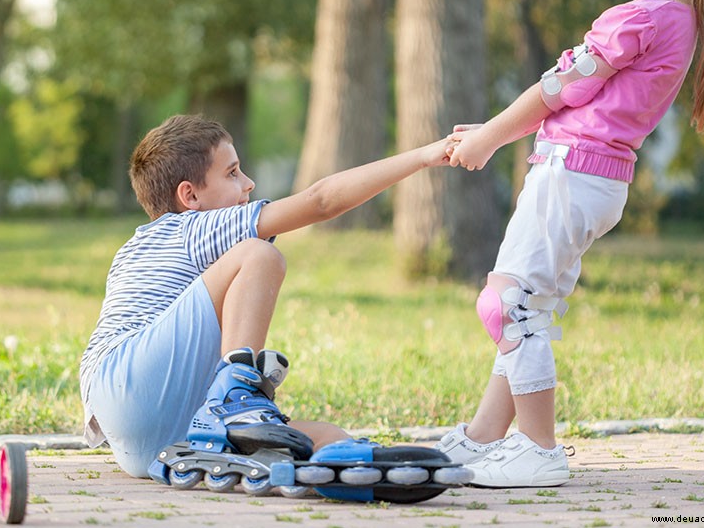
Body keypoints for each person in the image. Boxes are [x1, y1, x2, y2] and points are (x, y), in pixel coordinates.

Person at [437, 0, 704, 488]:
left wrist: (491, 136)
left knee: (506, 303)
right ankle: (484, 437)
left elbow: (556, 92)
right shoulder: (681, 23)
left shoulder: (641, 19)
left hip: (569, 175)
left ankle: (538, 449)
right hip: (593, 181)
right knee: (530, 303)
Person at [78, 114, 450, 478]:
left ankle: (349, 466)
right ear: (189, 195)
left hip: (140, 436)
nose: (248, 183)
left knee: (323, 438)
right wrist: (424, 156)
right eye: (232, 173)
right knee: (258, 254)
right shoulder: (193, 227)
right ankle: (235, 400)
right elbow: (321, 201)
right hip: (128, 379)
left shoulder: (135, 246)